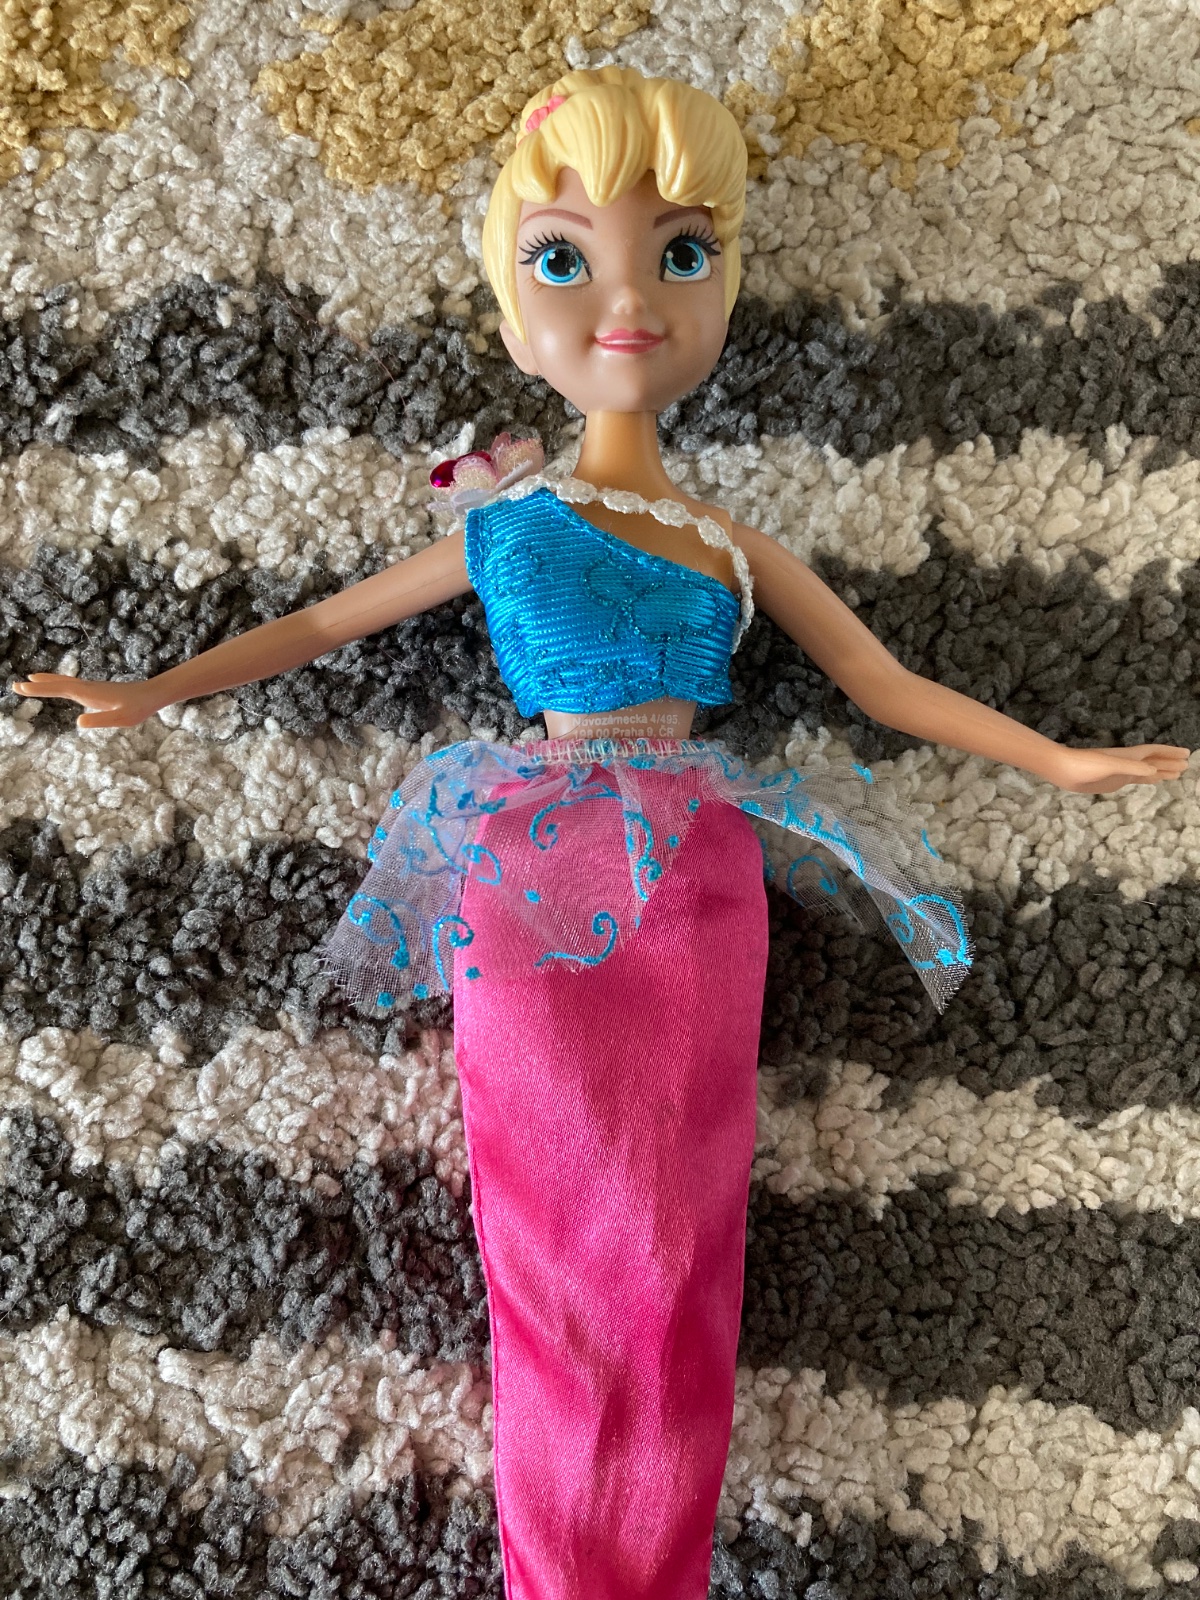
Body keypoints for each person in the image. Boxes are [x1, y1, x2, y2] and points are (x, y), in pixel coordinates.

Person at [11, 65, 1189, 1600]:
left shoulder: (731, 545)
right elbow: (318, 623)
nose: (629, 301)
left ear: (722, 289)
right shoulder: (504, 526)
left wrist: (1055, 758)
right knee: (549, 1225)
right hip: (529, 869)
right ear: (515, 313)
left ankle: (654, 1562)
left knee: (678, 1237)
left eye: (680, 254)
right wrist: (155, 685)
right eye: (565, 260)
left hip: (697, 876)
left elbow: (882, 683)